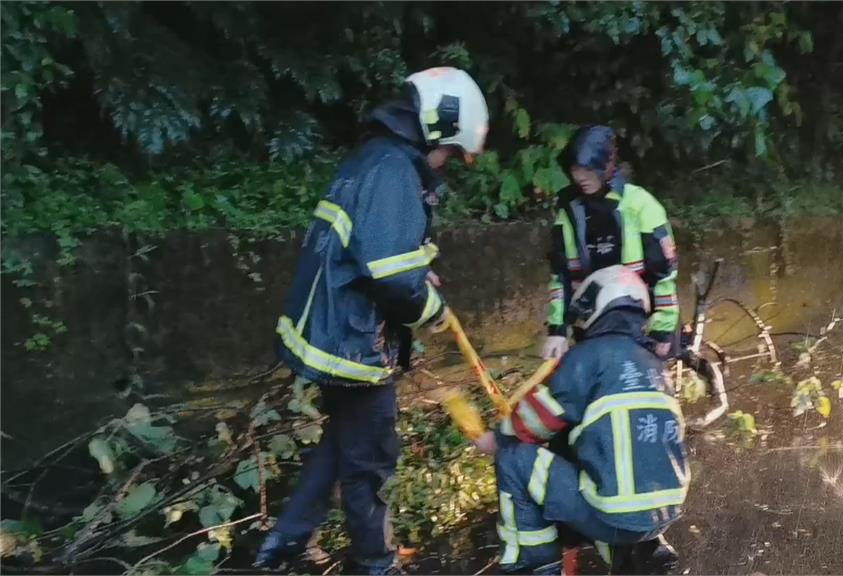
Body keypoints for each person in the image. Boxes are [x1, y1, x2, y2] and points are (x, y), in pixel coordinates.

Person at [253, 67, 489, 574]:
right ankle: (374, 563)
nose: (446, 165)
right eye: (449, 152)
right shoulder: (394, 170)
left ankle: (285, 544)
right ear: (434, 128)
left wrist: (419, 273)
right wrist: (434, 309)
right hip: (352, 341)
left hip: (334, 330)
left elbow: (387, 252)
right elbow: (391, 277)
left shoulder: (375, 159)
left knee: (343, 441)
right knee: (371, 458)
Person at [474, 265, 687, 574]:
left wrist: (498, 437)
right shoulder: (654, 365)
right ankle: (634, 554)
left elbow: (540, 418)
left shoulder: (589, 355)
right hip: (662, 516)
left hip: (612, 515)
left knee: (514, 458)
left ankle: (534, 566)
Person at [541, 126, 680, 361]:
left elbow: (663, 274)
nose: (580, 177)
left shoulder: (642, 206)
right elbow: (561, 277)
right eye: (575, 169)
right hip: (591, 321)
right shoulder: (569, 211)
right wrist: (557, 330)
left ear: (606, 166)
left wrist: (662, 330)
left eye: (587, 168)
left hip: (641, 322)